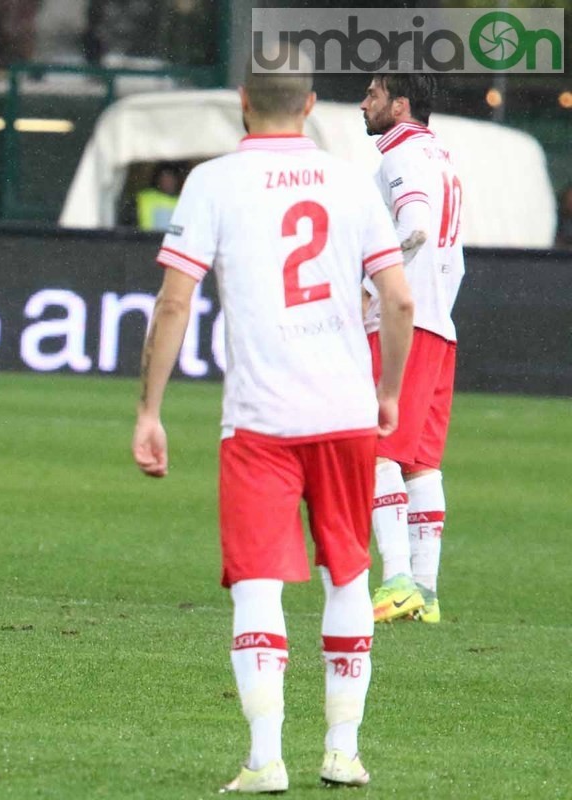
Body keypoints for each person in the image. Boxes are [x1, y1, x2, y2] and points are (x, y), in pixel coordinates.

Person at [132, 63, 414, 793]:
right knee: (348, 572)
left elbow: (173, 304)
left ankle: (265, 759)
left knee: (258, 583)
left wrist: (150, 411)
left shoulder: (215, 181)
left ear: (244, 103)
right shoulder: (353, 180)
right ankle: (343, 752)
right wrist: (387, 394)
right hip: (347, 415)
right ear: (313, 105)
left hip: (260, 421)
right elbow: (399, 299)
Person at [359, 74, 465, 625]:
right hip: (440, 322)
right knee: (421, 462)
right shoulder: (443, 158)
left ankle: (396, 579)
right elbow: (456, 253)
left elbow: (416, 229)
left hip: (406, 321)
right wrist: (437, 301)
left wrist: (374, 287)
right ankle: (426, 591)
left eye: (373, 95)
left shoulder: (399, 154)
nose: (364, 103)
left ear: (400, 105)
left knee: (378, 452)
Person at [135, 161, 183, 231]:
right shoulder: (144, 197)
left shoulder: (184, 200)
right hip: (146, 240)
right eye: (164, 178)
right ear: (158, 179)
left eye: (170, 178)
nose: (167, 182)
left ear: (177, 180)